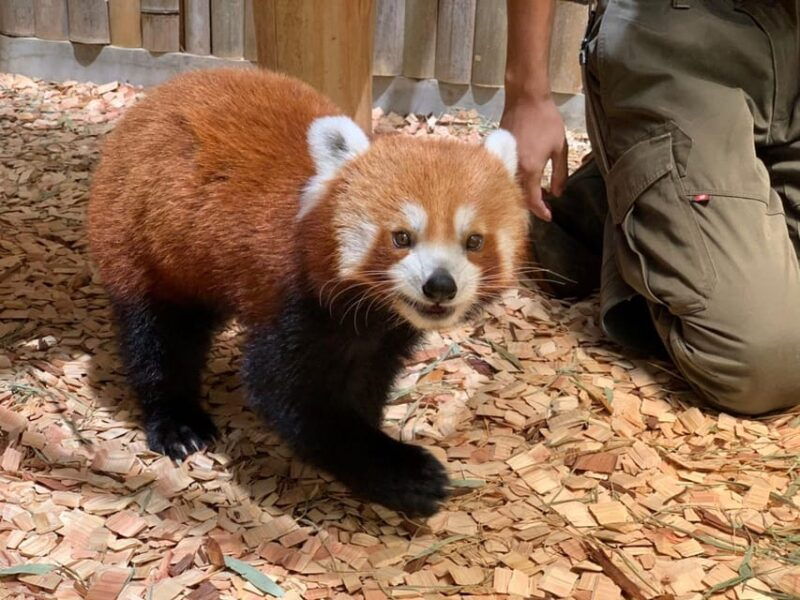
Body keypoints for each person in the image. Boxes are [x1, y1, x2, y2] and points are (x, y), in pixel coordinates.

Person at [501, 0, 800, 416]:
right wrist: (526, 95)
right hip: (681, 33)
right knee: (765, 363)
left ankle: (606, 200)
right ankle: (638, 197)